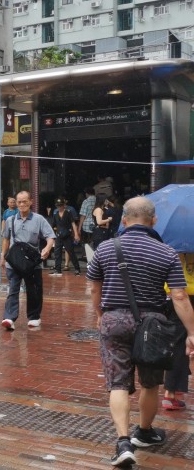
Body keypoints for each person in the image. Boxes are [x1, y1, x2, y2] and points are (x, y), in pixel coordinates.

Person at [86, 196, 194, 466]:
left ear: (124, 220)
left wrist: (100, 314)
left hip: (114, 320)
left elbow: (94, 288)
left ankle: (123, 442)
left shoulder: (105, 248)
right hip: (153, 325)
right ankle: (144, 432)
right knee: (150, 382)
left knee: (118, 383)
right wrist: (192, 332)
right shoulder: (166, 252)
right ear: (153, 220)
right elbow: (179, 296)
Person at [0, 191, 56, 331]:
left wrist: (47, 248)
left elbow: (50, 237)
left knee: (34, 290)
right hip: (14, 262)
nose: (21, 204)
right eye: (19, 202)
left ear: (31, 202)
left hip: (32, 262)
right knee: (13, 289)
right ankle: (9, 317)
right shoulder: (10, 220)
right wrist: (2, 257)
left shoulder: (39, 219)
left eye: (25, 201)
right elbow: (6, 240)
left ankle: (34, 317)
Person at [163, 253, 194, 411]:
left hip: (174, 293)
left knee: (179, 342)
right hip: (183, 295)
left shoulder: (173, 245)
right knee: (181, 344)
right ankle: (170, 392)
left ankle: (175, 387)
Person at [51, 198, 82, 276]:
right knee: (57, 253)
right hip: (59, 235)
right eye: (58, 206)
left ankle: (77, 269)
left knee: (71, 252)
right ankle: (58, 269)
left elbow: (73, 224)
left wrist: (76, 234)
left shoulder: (68, 213)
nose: (59, 207)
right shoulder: (55, 214)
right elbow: (54, 225)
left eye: (61, 205)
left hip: (67, 235)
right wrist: (54, 235)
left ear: (64, 205)